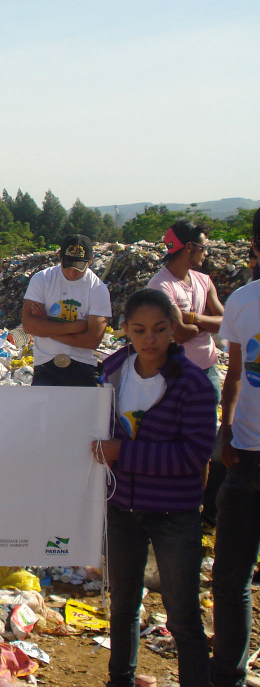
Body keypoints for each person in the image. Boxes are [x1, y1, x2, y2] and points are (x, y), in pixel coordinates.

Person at [92, 288, 216, 687]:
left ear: (174, 329)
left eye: (160, 329)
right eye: (140, 330)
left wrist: (122, 453)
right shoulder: (110, 373)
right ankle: (120, 679)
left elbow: (193, 456)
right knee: (122, 607)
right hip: (121, 510)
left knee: (182, 615)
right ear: (125, 329)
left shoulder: (193, 385)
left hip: (173, 514)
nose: (150, 339)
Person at [210, 208, 260, 687]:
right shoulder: (243, 301)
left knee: (231, 580)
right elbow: (236, 374)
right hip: (247, 455)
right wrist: (226, 428)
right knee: (229, 578)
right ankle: (228, 675)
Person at [147, 219, 225, 524]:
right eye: (203, 247)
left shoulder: (203, 281)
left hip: (208, 373)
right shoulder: (161, 286)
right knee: (174, 444)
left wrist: (193, 318)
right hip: (176, 377)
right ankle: (169, 506)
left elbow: (225, 322)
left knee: (202, 447)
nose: (206, 252)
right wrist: (203, 322)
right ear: (189, 247)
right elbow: (178, 334)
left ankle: (195, 507)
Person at [22, 234, 111, 386]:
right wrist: (76, 327)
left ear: (91, 260)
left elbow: (92, 341)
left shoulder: (98, 289)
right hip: (45, 365)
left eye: (79, 268)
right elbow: (29, 326)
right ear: (59, 257)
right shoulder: (42, 279)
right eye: (68, 266)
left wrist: (46, 325)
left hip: (82, 365)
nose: (72, 273)